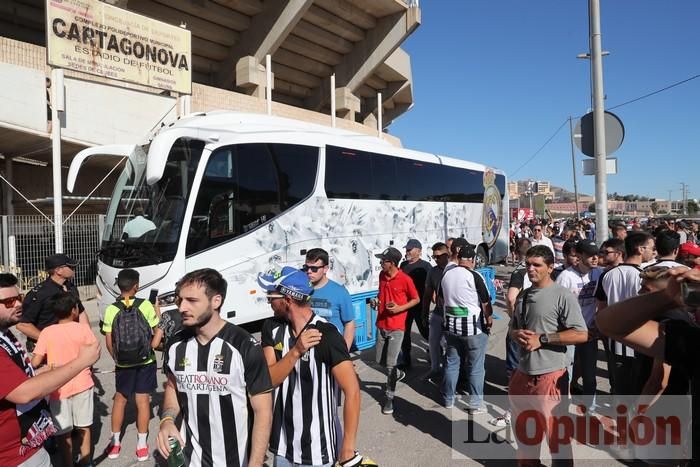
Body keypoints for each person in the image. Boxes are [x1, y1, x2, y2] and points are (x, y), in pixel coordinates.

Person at [157, 269, 273, 467]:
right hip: (191, 460)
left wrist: (255, 464)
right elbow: (172, 387)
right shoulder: (176, 345)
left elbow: (263, 411)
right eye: (180, 300)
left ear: (216, 301)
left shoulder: (244, 345)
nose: (182, 307)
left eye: (192, 300)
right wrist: (167, 420)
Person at [259, 266, 363, 467]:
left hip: (318, 451)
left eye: (271, 297)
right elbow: (269, 379)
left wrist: (348, 447)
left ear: (287, 300)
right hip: (283, 447)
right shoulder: (271, 328)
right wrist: (295, 351)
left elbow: (352, 391)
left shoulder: (328, 335)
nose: (269, 302)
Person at [596, 266, 700, 466]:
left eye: (646, 289)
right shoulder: (688, 334)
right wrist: (667, 296)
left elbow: (659, 379)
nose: (640, 292)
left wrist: (639, 408)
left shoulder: (671, 321)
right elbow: (607, 323)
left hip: (662, 411)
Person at [0, 273, 100, 467]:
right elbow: (24, 393)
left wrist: (38, 372)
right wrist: (80, 362)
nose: (19, 304)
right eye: (9, 301)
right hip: (15, 457)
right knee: (83, 426)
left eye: (19, 298)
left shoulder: (8, 334)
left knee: (64, 432)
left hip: (28, 442)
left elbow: (25, 371)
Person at [508, 245, 588, 466]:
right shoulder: (524, 295)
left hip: (550, 377)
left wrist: (543, 339)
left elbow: (581, 334)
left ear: (550, 267)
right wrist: (515, 334)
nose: (531, 269)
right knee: (524, 437)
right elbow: (513, 329)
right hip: (522, 374)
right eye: (528, 265)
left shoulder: (562, 295)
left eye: (537, 265)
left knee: (557, 439)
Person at [30, 292, 97, 467]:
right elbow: (95, 354)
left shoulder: (47, 332)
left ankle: (67, 464)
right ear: (74, 310)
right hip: (83, 383)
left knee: (63, 431)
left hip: (57, 388)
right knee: (84, 426)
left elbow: (35, 361)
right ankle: (86, 461)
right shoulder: (83, 329)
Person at [102, 269, 159, 462]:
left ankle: (115, 443)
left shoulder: (111, 309)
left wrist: (118, 358)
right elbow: (156, 335)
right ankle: (142, 446)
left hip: (123, 363)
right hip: (146, 361)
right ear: (137, 285)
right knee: (143, 402)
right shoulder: (146, 306)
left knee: (120, 400)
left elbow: (109, 341)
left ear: (119, 286)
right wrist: (157, 313)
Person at [596, 231, 655, 395]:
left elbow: (601, 309)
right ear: (640, 249)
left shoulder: (607, 275)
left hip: (615, 342)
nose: (653, 252)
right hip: (641, 344)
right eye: (651, 247)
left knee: (619, 388)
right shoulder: (645, 277)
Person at [440, 242, 493, 412]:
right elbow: (486, 303)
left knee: (451, 363)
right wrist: (489, 320)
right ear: (471, 260)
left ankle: (448, 399)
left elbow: (440, 299)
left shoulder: (446, 275)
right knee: (476, 366)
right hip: (472, 328)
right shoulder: (475, 276)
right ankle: (476, 404)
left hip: (451, 327)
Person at [555, 240, 603, 411]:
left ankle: (591, 406)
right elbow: (557, 306)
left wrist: (597, 324)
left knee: (590, 374)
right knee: (565, 372)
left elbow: (603, 302)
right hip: (570, 333)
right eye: (590, 255)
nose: (595, 258)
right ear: (580, 256)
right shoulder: (565, 277)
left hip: (590, 332)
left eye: (597, 254)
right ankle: (563, 408)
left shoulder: (599, 274)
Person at [489, 237, 531, 427]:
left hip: (519, 328)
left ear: (516, 252)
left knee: (515, 371)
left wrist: (513, 318)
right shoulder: (546, 272)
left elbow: (511, 297)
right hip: (537, 329)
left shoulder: (520, 272)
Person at [372, 247, 419, 415]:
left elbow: (416, 299)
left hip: (397, 327)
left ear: (391, 263)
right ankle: (398, 373)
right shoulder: (382, 276)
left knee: (390, 366)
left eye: (382, 261)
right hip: (381, 324)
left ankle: (389, 399)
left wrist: (400, 308)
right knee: (379, 361)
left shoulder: (405, 279)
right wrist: (376, 302)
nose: (380, 263)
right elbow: (381, 295)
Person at [17, 253, 88, 352]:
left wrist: (87, 337)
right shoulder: (39, 293)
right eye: (70, 266)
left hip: (71, 345)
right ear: (58, 270)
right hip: (47, 349)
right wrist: (49, 340)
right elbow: (23, 325)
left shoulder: (71, 287)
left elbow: (81, 312)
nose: (74, 268)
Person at [304, 248, 355, 350]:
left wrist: (344, 353)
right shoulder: (302, 290)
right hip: (308, 351)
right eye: (306, 267)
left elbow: (349, 323)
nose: (309, 272)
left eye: (314, 269)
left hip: (333, 351)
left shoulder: (340, 292)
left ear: (325, 269)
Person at [398, 239, 431, 369]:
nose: (407, 252)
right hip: (406, 306)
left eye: (410, 250)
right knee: (404, 333)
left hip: (420, 304)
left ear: (419, 251)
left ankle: (436, 351)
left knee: (425, 331)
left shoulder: (426, 266)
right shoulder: (403, 265)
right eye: (406, 250)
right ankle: (406, 360)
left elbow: (430, 285)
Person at [422, 242, 450, 382]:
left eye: (439, 256)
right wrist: (424, 313)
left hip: (452, 315)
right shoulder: (433, 272)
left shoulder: (454, 270)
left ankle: (449, 372)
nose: (436, 259)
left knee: (448, 345)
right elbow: (427, 294)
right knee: (433, 342)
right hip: (438, 313)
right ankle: (434, 369)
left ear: (447, 255)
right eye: (434, 257)